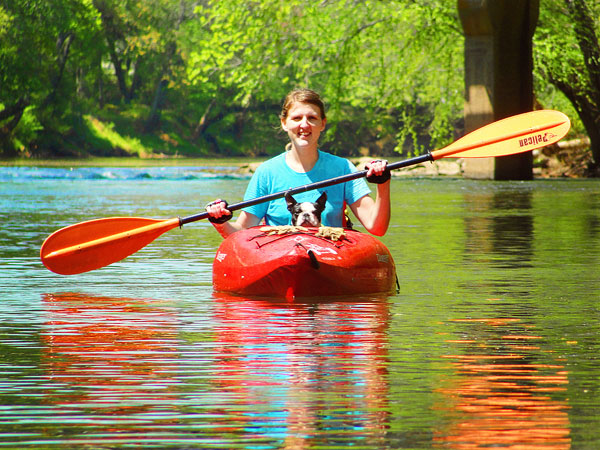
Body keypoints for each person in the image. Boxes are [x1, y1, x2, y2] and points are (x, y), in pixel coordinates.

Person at [205, 88, 391, 238]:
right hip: (281, 258)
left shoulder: (343, 168)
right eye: (296, 118)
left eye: (312, 118)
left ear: (323, 123)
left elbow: (376, 227)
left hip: (332, 254)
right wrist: (220, 221)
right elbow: (240, 232)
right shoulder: (266, 173)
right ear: (284, 123)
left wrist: (383, 184)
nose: (304, 125)